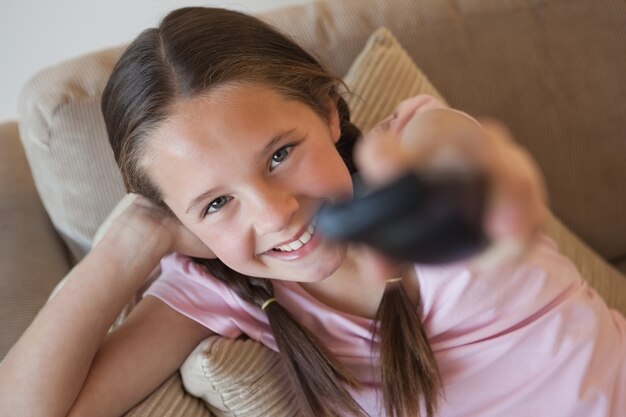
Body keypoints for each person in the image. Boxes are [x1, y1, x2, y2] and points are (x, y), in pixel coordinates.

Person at [0, 6, 624, 417]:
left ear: (328, 114)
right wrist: (126, 247)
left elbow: (462, 157)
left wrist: (479, 174)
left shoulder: (407, 146)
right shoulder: (221, 288)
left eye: (279, 155)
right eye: (217, 202)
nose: (276, 214)